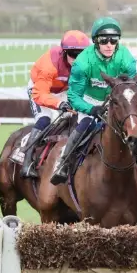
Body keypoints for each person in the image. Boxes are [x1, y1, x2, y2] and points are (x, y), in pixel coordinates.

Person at [48, 17, 137, 187]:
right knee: (84, 126)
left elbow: (130, 87)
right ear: (96, 41)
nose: (109, 44)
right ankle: (63, 164)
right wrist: (91, 109)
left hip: (115, 100)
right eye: (104, 40)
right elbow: (74, 96)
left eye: (113, 40)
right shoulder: (83, 62)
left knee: (131, 127)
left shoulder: (126, 58)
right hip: (88, 100)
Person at [20, 30, 91, 178]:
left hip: (64, 90)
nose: (77, 59)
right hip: (40, 89)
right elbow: (41, 94)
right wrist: (59, 104)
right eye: (73, 54)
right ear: (64, 52)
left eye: (81, 55)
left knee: (79, 118)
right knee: (45, 119)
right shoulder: (49, 65)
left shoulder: (87, 63)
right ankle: (26, 162)